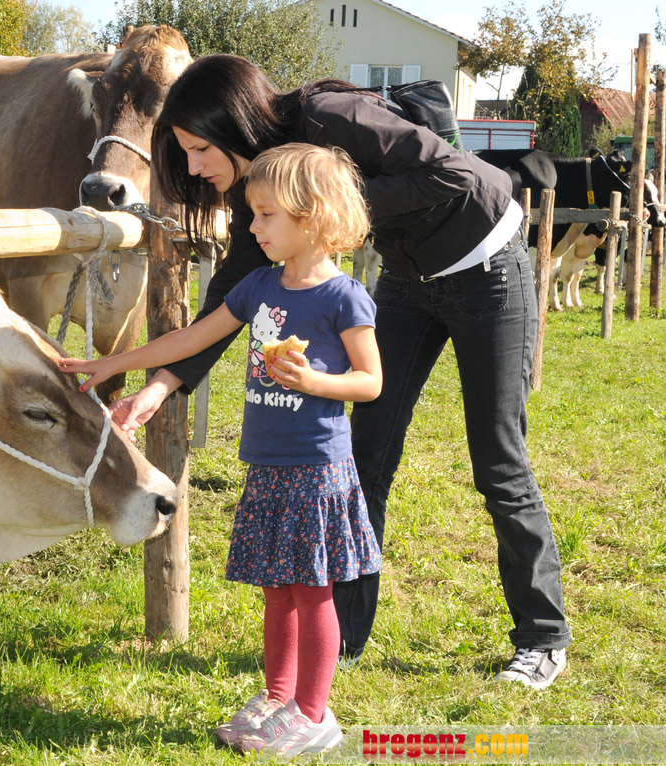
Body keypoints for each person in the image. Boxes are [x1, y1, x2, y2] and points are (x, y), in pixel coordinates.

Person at [111, 54, 572, 688]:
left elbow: (453, 176)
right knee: (363, 459)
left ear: (232, 120)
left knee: (497, 459)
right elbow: (230, 297)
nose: (192, 167)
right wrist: (163, 383)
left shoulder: (327, 118)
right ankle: (344, 641)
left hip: (487, 267)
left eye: (196, 148)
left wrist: (324, 205)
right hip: (411, 282)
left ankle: (542, 638)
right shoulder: (264, 194)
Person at [59, 144, 383, 758]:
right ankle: (277, 695)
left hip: (317, 467)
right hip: (266, 465)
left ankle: (314, 715)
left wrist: (314, 382)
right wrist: (112, 363)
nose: (252, 227)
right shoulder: (260, 286)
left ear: (312, 215)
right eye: (251, 214)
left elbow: (371, 382)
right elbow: (188, 339)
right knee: (275, 587)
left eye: (265, 215)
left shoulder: (344, 298)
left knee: (312, 590)